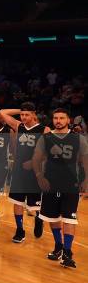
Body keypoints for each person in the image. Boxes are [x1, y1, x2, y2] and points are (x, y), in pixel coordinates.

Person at [32, 108, 88, 268]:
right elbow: (36, 158)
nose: (58, 121)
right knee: (52, 218)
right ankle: (58, 247)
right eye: (56, 118)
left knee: (69, 218)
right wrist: (39, 176)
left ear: (68, 120)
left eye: (62, 118)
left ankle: (68, 252)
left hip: (71, 184)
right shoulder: (46, 138)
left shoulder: (78, 139)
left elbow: (85, 160)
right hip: (50, 184)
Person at [0, 102, 48, 243]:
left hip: (35, 172)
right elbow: (2, 112)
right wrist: (20, 110)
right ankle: (20, 230)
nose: (24, 117)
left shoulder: (44, 129)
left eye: (27, 114)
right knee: (17, 202)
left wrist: (33, 162)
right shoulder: (18, 126)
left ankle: (39, 218)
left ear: (34, 114)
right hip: (19, 171)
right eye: (22, 114)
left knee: (36, 203)